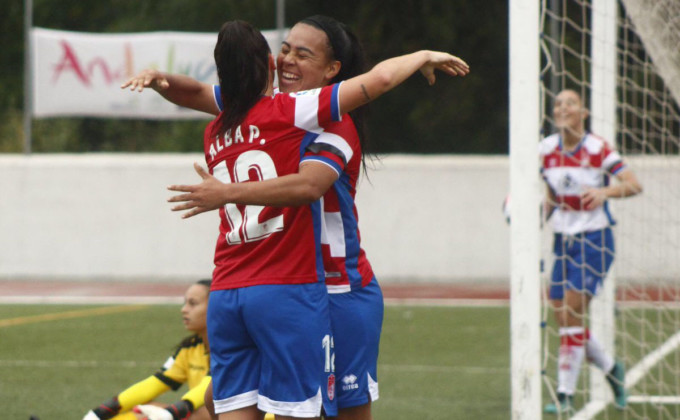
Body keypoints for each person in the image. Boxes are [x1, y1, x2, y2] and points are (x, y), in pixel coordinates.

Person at [122, 15, 468, 420]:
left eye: (303, 54)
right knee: (225, 400)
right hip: (287, 288)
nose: (288, 59)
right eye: (285, 48)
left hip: (339, 289)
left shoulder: (330, 121)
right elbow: (199, 92)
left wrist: (225, 192)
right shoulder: (271, 110)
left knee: (336, 412)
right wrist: (161, 80)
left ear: (331, 69)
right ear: (268, 61)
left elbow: (308, 186)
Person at [540, 89, 642, 414]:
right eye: (558, 104)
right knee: (563, 315)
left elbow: (633, 183)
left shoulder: (597, 148)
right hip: (563, 242)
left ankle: (564, 395)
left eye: (570, 103)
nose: (563, 108)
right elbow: (551, 197)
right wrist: (530, 215)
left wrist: (605, 191)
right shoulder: (545, 150)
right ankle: (613, 370)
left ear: (583, 112)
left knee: (570, 312)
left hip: (595, 241)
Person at [83, 279, 213, 420]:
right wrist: (104, 410)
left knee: (197, 414)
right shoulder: (190, 348)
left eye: (193, 304)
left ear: (216, 307)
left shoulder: (233, 349)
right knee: (141, 411)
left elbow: (211, 385)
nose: (184, 309)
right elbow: (156, 382)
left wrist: (174, 411)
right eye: (185, 303)